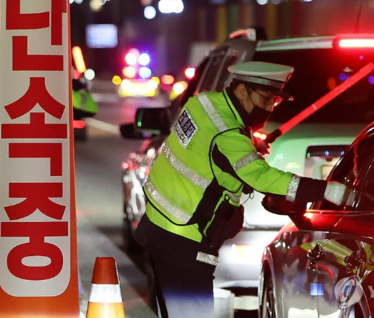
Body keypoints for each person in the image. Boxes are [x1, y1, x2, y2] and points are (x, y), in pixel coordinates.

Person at [135, 61, 346, 317]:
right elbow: (262, 177)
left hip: (158, 224)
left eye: (274, 102)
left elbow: (205, 148)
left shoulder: (203, 103)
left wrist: (247, 141)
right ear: (243, 90)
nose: (269, 108)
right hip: (184, 240)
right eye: (265, 99)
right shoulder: (229, 135)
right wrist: (325, 190)